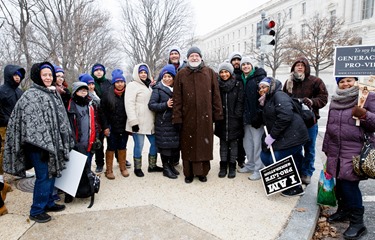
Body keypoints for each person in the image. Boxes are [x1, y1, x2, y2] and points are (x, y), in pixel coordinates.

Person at [3, 61, 74, 223]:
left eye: (50, 75)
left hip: (53, 143)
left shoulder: (52, 93)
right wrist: (41, 146)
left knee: (53, 173)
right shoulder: (32, 95)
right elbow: (31, 124)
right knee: (44, 177)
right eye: (45, 75)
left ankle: (49, 202)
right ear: (38, 76)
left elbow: (60, 119)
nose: (48, 78)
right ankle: (36, 210)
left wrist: (65, 138)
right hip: (38, 146)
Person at [323, 76, 374, 239]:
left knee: (349, 187)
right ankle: (343, 211)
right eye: (341, 82)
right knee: (339, 182)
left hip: (354, 150)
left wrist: (365, 115)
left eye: (349, 81)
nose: (345, 84)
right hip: (335, 150)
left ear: (356, 81)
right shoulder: (336, 99)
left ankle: (358, 223)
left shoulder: (366, 97)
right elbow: (330, 124)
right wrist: (326, 148)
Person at [172, 46, 223, 183]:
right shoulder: (181, 74)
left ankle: (202, 172)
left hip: (205, 117)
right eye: (191, 56)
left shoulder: (210, 73)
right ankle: (188, 173)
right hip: (187, 117)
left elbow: (216, 95)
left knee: (203, 145)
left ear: (201, 57)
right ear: (188, 58)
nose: (194, 58)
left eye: (196, 55)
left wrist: (218, 115)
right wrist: (177, 117)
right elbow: (177, 98)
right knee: (188, 145)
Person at [258, 77, 309, 197]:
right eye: (260, 88)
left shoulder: (279, 95)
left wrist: (272, 136)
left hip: (294, 135)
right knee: (264, 156)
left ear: (271, 86)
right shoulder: (267, 99)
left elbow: (285, 116)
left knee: (276, 157)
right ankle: (293, 178)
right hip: (283, 135)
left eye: (264, 87)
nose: (262, 89)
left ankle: (294, 187)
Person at [283, 57, 328, 185]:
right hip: (294, 122)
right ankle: (298, 170)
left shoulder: (316, 81)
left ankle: (307, 172)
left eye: (303, 65)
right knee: (295, 148)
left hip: (310, 121)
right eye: (297, 65)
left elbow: (323, 98)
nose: (300, 67)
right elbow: (283, 98)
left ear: (307, 68)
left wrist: (312, 102)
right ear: (293, 67)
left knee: (309, 148)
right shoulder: (289, 82)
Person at [125, 63, 163, 177]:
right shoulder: (132, 85)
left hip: (150, 121)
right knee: (139, 145)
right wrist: (133, 121)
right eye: (141, 72)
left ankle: (152, 165)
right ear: (137, 73)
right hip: (138, 122)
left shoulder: (149, 86)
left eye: (145, 72)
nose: (143, 74)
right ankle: (137, 168)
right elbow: (129, 104)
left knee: (155, 143)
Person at [65, 81, 98, 202]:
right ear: (75, 92)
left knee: (86, 168)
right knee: (73, 170)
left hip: (88, 142)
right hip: (76, 144)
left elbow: (94, 123)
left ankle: (85, 190)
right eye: (80, 90)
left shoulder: (90, 105)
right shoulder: (70, 106)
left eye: (85, 90)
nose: (83, 92)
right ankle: (69, 193)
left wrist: (96, 137)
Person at [0, 64, 26, 215]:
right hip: (4, 127)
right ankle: (1, 179)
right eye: (15, 75)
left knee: (19, 150)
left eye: (19, 75)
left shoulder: (20, 91)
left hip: (19, 127)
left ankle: (19, 171)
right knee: (4, 152)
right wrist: (7, 121)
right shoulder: (1, 91)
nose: (17, 77)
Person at [148, 64, 180, 179]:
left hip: (174, 122)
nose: (167, 79)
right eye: (165, 76)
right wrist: (165, 105)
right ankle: (166, 168)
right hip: (163, 123)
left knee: (172, 146)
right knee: (165, 147)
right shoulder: (158, 89)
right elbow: (151, 105)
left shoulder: (177, 89)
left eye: (169, 76)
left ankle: (171, 166)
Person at [238, 56, 266, 181]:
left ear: (252, 66)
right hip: (245, 118)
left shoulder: (259, 78)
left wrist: (259, 114)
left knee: (257, 144)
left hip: (256, 118)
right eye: (243, 64)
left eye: (248, 64)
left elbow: (264, 98)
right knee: (247, 143)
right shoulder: (242, 79)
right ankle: (250, 164)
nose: (245, 66)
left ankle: (258, 169)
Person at [214, 62, 244, 179]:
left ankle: (232, 165)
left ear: (230, 72)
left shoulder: (238, 84)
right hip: (221, 118)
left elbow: (240, 101)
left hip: (234, 118)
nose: (224, 74)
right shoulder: (217, 84)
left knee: (234, 143)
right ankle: (223, 165)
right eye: (221, 72)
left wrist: (237, 115)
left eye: (226, 72)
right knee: (223, 143)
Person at [101, 69, 129, 179]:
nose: (120, 84)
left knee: (123, 146)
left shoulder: (128, 93)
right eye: (117, 82)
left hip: (124, 126)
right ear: (114, 83)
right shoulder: (107, 94)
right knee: (111, 147)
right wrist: (105, 126)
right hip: (111, 126)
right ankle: (109, 170)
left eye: (122, 82)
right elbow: (102, 112)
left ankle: (123, 167)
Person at [91, 63, 111, 173]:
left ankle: (119, 158)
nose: (99, 72)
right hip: (97, 117)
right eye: (96, 70)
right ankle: (99, 163)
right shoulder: (90, 83)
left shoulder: (109, 82)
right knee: (99, 143)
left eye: (100, 70)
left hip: (109, 116)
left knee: (113, 140)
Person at [228, 51, 247, 168]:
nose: (236, 62)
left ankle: (241, 159)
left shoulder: (244, 75)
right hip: (231, 109)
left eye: (238, 59)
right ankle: (230, 159)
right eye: (234, 60)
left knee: (241, 137)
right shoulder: (228, 74)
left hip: (243, 109)